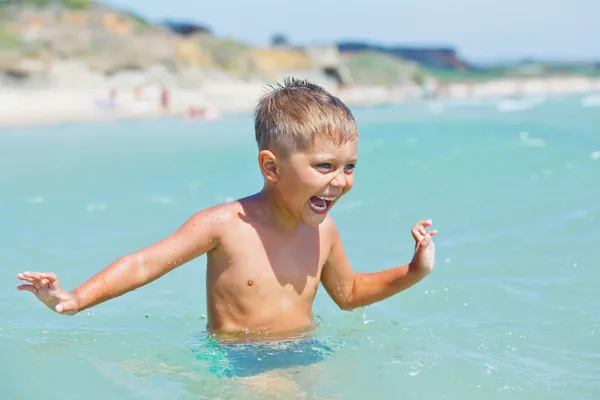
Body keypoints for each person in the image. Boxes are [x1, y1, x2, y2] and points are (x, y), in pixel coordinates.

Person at [16, 77, 437, 379]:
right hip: (238, 360)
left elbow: (349, 295)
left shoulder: (324, 231)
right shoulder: (226, 225)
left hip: (307, 352)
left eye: (349, 167)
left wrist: (413, 270)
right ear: (271, 166)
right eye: (324, 166)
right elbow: (145, 264)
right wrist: (75, 299)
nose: (340, 180)